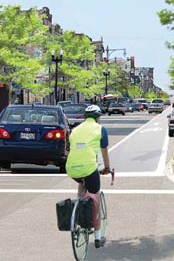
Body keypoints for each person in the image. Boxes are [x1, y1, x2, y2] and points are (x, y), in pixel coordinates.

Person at [66, 104, 112, 249]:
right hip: (89, 168)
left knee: (81, 181)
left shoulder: (75, 130)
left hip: (71, 168)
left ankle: (78, 210)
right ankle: (98, 237)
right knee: (95, 195)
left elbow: (71, 148)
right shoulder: (100, 130)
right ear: (98, 117)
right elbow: (104, 151)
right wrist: (107, 168)